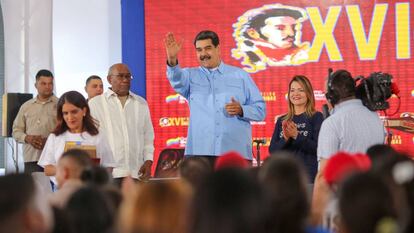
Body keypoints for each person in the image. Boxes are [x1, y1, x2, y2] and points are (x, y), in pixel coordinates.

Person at [164, 30, 266, 164]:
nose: (203, 54)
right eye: (199, 50)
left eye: (208, 48)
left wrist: (242, 110)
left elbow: (260, 110)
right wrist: (172, 60)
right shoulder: (189, 76)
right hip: (199, 153)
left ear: (218, 49)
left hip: (234, 153)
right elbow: (176, 79)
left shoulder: (240, 76)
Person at [312, 69, 385, 224]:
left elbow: (323, 177)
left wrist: (315, 219)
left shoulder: (332, 123)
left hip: (342, 211)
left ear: (331, 96)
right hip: (373, 205)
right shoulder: (375, 117)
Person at [89, 63, 154, 183]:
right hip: (108, 175)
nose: (125, 80)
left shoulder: (141, 103)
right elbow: (89, 139)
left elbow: (148, 137)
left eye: (128, 76)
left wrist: (148, 162)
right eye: (120, 76)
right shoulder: (95, 104)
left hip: (136, 173)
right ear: (109, 79)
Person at [38, 91, 116, 185]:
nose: (70, 117)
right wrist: (69, 170)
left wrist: (95, 175)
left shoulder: (98, 136)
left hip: (91, 189)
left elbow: (108, 166)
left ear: (84, 111)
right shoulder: (55, 137)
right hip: (63, 191)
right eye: (65, 113)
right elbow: (47, 169)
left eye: (74, 112)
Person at [269, 75, 323, 183]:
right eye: (292, 90)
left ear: (308, 93)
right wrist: (285, 139)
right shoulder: (282, 120)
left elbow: (319, 149)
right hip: (284, 178)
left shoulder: (316, 117)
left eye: (300, 90)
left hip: (307, 177)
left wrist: (296, 136)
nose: (295, 94)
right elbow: (272, 151)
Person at [232, 5, 310, 72]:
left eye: (293, 27)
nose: (291, 33)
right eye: (280, 28)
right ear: (253, 33)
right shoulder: (243, 58)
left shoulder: (301, 56)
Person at [12, 69, 58, 174]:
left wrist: (50, 140)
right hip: (31, 158)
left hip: (53, 158)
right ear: (36, 85)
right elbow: (16, 131)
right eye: (43, 83)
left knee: (52, 189)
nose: (47, 86)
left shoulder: (60, 104)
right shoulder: (26, 106)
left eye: (50, 83)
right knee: (32, 189)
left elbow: (67, 131)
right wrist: (28, 138)